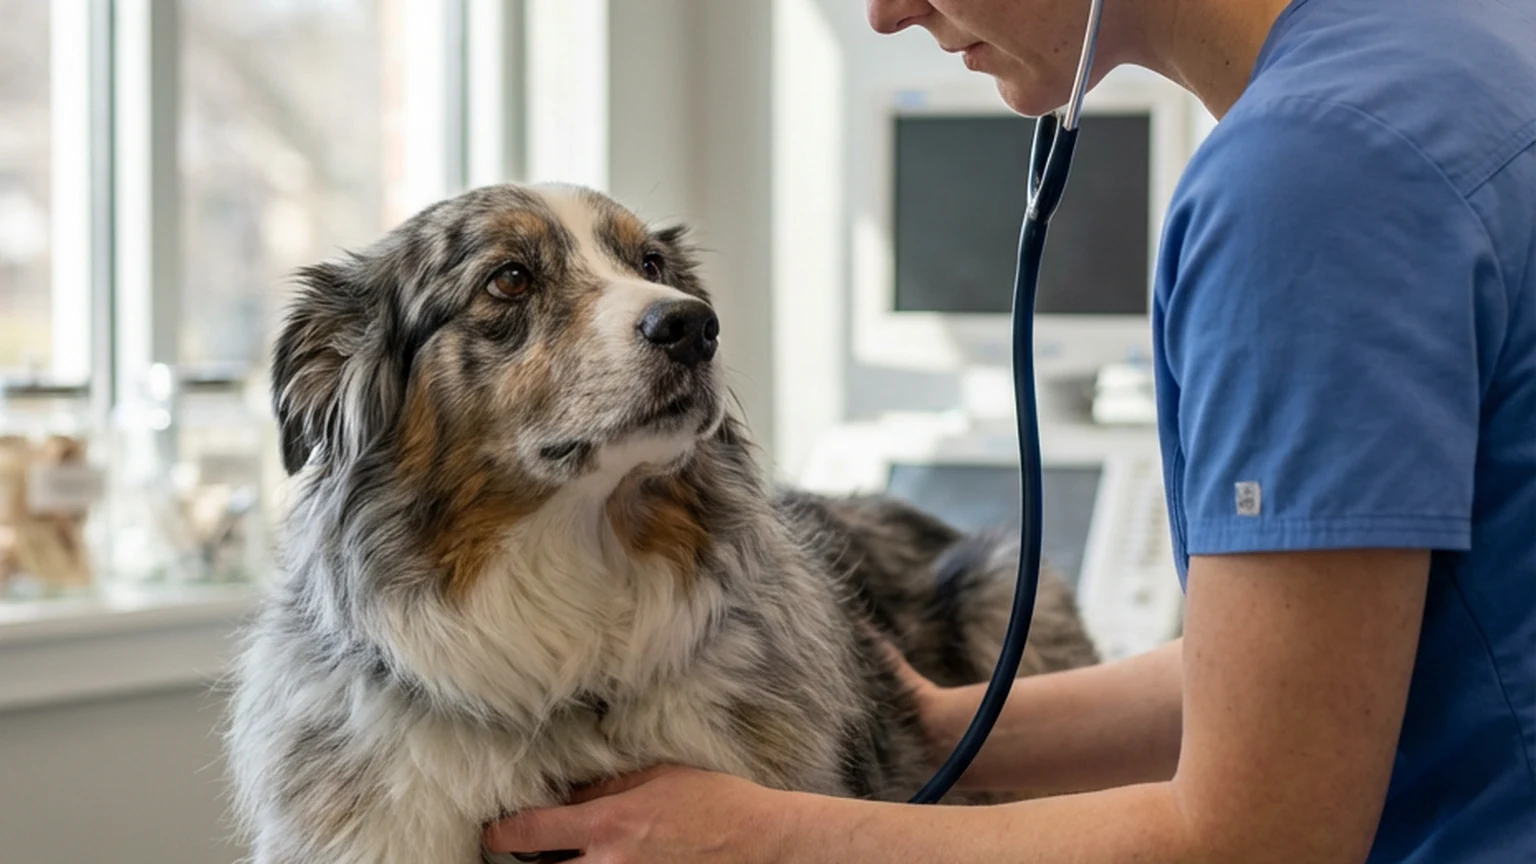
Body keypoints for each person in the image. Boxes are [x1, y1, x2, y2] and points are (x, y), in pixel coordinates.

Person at [483, 0, 1536, 860]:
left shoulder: (1312, 185)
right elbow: (1308, 672)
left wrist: (770, 838)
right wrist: (929, 726)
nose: (887, 13)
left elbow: (1259, 836)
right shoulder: (1450, 42)